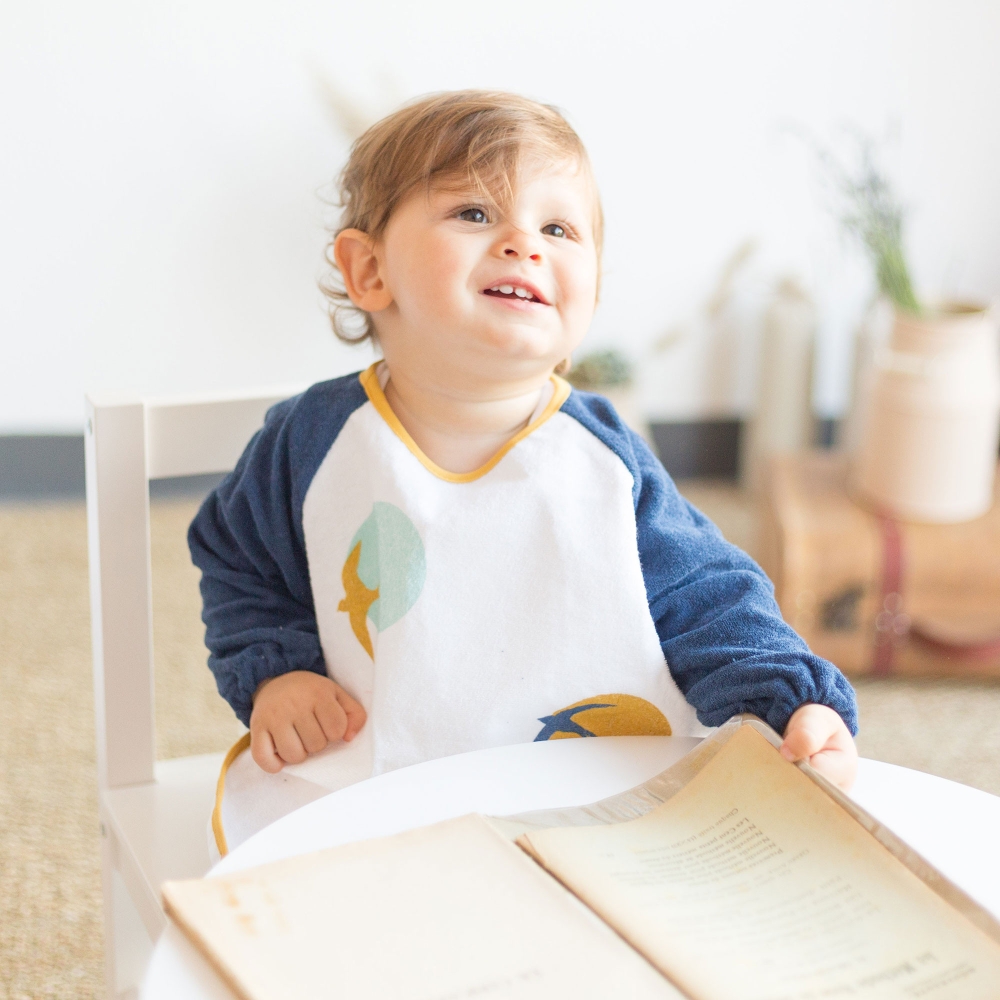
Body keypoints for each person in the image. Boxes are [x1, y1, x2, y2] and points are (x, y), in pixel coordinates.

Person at [189, 90, 857, 855]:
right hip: (380, 781)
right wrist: (277, 671)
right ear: (368, 270)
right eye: (475, 213)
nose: (522, 243)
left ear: (590, 295)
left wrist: (792, 702)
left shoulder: (605, 463)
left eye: (558, 228)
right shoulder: (311, 443)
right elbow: (240, 563)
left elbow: (709, 602)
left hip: (596, 791)